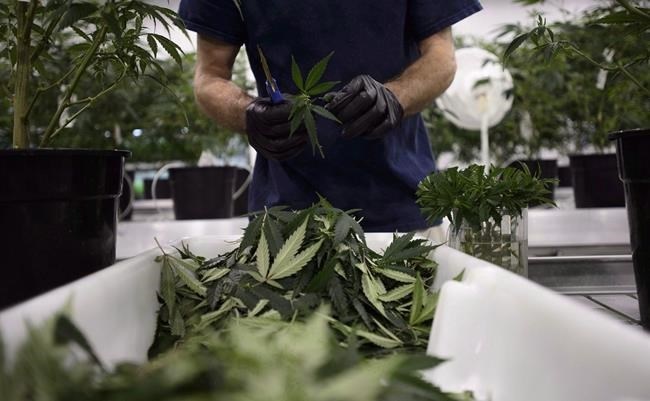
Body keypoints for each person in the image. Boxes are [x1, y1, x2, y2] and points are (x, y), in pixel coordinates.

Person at [178, 0, 482, 235]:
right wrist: (247, 113)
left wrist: (395, 97)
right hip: (287, 217)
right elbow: (210, 76)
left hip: (402, 206)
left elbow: (441, 56)